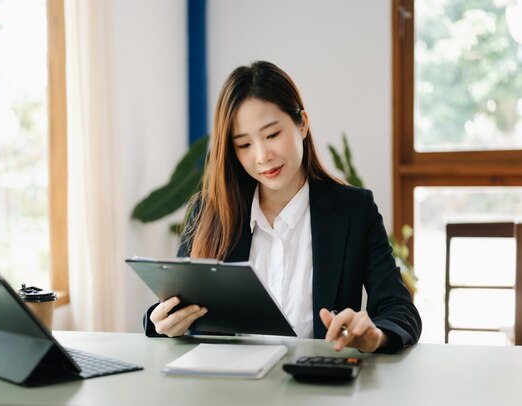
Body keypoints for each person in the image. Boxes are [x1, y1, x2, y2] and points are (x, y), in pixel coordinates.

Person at [143, 61, 421, 354]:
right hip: (226, 389)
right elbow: (175, 305)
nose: (262, 156)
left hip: (316, 389)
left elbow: (399, 309)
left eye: (272, 135)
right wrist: (162, 322)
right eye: (244, 145)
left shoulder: (355, 210)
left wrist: (374, 335)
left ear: (302, 124)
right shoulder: (210, 212)